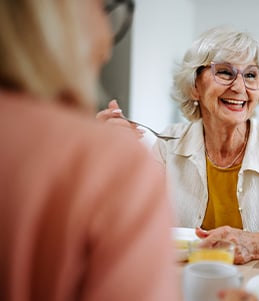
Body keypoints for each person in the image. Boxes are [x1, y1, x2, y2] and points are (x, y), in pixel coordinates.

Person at [98, 26, 259, 264]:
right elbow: (126, 225)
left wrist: (255, 245)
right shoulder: (168, 144)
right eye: (224, 72)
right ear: (194, 85)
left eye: (251, 75)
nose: (240, 87)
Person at [0, 0, 179, 300]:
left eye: (252, 75)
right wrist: (95, 155)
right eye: (102, 8)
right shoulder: (119, 164)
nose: (107, 46)